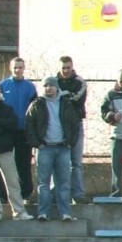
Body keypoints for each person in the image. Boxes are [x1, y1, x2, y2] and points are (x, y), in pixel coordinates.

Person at [25, 77, 80, 221]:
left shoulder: (66, 103)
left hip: (63, 148)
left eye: (51, 85)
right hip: (45, 149)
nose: (48, 88)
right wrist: (37, 144)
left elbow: (75, 125)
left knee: (63, 183)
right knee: (43, 183)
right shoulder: (36, 104)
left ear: (56, 87)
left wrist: (70, 143)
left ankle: (65, 213)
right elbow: (29, 125)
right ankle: (43, 213)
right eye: (45, 85)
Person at [0, 83, 33, 221]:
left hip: (7, 151)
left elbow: (13, 126)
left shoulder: (8, 109)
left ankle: (19, 211)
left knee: (13, 183)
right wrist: (2, 126)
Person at [0, 57, 37, 201]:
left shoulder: (30, 87)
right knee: (3, 163)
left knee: (23, 163)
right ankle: (3, 195)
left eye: (20, 67)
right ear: (10, 68)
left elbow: (35, 110)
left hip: (23, 131)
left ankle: (25, 193)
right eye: (15, 67)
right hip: (6, 132)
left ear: (24, 68)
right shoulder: (3, 85)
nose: (18, 70)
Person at [57, 56, 89, 203]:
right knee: (59, 162)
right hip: (58, 125)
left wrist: (64, 96)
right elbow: (51, 99)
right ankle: (59, 195)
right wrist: (66, 96)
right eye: (63, 68)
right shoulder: (53, 81)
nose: (66, 70)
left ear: (72, 67)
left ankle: (78, 195)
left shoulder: (80, 82)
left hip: (76, 125)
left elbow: (77, 100)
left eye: (68, 67)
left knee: (76, 162)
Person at [100, 69, 122, 198]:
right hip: (117, 136)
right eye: (121, 82)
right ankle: (116, 193)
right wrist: (113, 116)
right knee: (116, 167)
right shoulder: (111, 95)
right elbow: (104, 112)